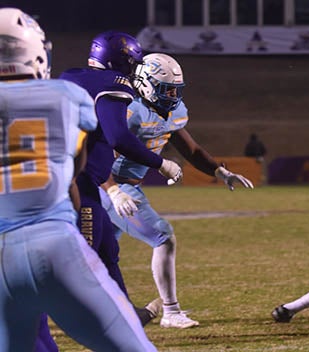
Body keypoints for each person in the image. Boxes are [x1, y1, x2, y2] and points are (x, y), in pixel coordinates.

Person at [0, 8, 156, 351]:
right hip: (52, 241)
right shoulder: (66, 97)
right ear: (36, 51)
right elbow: (75, 169)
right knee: (129, 343)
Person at [101, 53, 254, 329]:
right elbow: (98, 157)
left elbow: (191, 150)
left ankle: (115, 315)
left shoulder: (170, 111)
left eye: (175, 89)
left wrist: (220, 171)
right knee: (163, 236)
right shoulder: (130, 110)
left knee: (99, 256)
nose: (172, 95)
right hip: (110, 186)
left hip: (124, 187)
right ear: (146, 84)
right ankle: (171, 312)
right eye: (166, 89)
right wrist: (112, 190)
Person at [59, 31, 183, 323]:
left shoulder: (70, 75)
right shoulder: (113, 84)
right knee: (84, 257)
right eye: (131, 61)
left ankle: (125, 314)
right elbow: (118, 137)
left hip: (73, 177)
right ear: (120, 61)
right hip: (77, 183)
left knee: (107, 249)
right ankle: (62, 319)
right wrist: (160, 163)